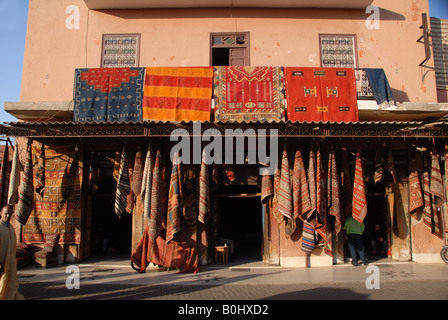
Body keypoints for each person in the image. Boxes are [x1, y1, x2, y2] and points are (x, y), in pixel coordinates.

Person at [0, 205, 24, 300]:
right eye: (6, 214)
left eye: (10, 214)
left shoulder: (10, 228)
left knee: (10, 282)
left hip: (9, 262)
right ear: (1, 214)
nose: (8, 216)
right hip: (2, 262)